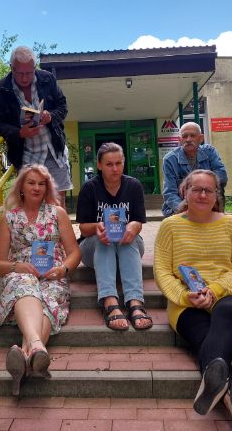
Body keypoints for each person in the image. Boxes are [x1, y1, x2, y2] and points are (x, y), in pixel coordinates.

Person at [154, 169, 232, 431]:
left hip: (228, 297)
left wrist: (216, 289)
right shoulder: (170, 226)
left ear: (216, 195)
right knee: (203, 338)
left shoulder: (231, 224)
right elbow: (162, 271)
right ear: (184, 192)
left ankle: (216, 385)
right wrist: (184, 296)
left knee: (223, 315)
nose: (201, 194)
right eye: (195, 189)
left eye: (208, 190)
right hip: (185, 304)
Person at [0, 164, 81, 396]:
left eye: (42, 184)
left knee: (49, 298)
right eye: (31, 182)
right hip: (21, 273)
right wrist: (16, 266)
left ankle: (25, 354)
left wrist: (63, 269)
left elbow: (75, 253)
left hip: (53, 276)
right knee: (25, 285)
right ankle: (38, 347)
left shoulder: (57, 213)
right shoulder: (9, 218)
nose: (37, 187)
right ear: (21, 186)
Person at [76, 142, 152, 331]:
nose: (115, 168)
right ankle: (110, 300)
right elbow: (83, 229)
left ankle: (135, 302)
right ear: (99, 165)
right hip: (92, 248)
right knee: (106, 239)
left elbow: (138, 222)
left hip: (129, 245)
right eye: (109, 164)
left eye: (119, 163)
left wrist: (134, 226)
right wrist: (97, 227)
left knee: (127, 239)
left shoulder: (133, 186)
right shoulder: (89, 188)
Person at [0, 45, 72, 206]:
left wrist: (50, 116)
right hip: (26, 155)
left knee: (57, 204)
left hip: (54, 152)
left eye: (29, 72)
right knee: (31, 205)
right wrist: (19, 133)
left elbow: (63, 107)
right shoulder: (0, 90)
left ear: (35, 67)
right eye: (20, 73)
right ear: (11, 68)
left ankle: (57, 232)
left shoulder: (47, 79)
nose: (25, 78)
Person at [162, 122, 228, 216]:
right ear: (180, 140)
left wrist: (198, 184)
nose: (188, 139)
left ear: (201, 138)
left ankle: (215, 220)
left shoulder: (209, 152)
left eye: (192, 135)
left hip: (207, 204)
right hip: (181, 207)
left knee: (217, 187)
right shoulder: (170, 159)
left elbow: (222, 177)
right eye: (185, 136)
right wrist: (188, 210)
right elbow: (169, 193)